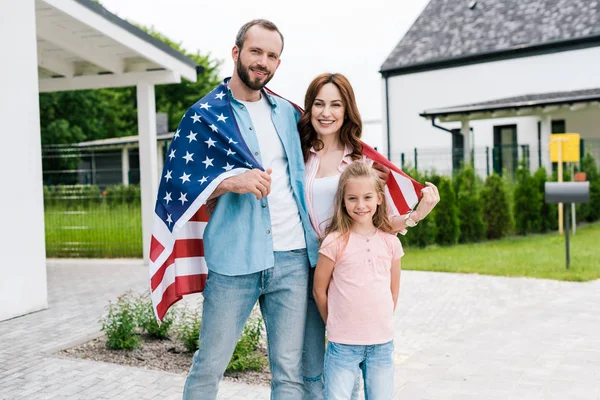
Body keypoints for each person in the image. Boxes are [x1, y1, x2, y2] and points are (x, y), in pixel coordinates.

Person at [180, 19, 320, 399]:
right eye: (256, 51)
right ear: (236, 52)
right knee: (209, 365)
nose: (263, 62)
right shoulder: (204, 117)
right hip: (233, 261)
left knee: (289, 373)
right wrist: (229, 182)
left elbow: (329, 154)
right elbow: (181, 184)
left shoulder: (289, 115)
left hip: (291, 260)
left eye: (272, 55)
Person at [298, 73, 440, 399]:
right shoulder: (300, 154)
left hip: (350, 270)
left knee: (354, 366)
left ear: (347, 110)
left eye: (336, 104)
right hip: (304, 261)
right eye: (319, 103)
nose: (327, 112)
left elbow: (379, 221)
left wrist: (416, 215)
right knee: (312, 366)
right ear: (309, 109)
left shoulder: (362, 160)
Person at [313, 161, 403, 399]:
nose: (360, 205)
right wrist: (332, 322)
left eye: (367, 197)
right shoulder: (334, 241)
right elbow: (319, 291)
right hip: (343, 345)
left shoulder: (390, 242)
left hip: (381, 344)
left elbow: (393, 290)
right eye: (352, 198)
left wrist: (379, 321)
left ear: (379, 199)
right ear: (343, 201)